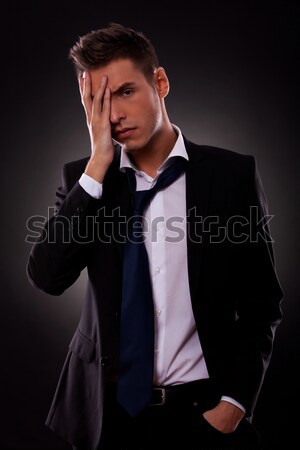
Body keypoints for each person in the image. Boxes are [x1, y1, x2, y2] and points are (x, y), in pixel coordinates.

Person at [26, 23, 283, 450]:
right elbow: (47, 278)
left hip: (204, 413)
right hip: (106, 419)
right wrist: (97, 167)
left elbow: (262, 303)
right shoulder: (83, 180)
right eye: (98, 100)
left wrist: (234, 403)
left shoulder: (232, 175)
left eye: (125, 92)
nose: (113, 115)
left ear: (159, 82)